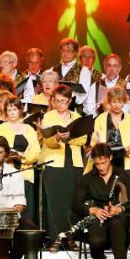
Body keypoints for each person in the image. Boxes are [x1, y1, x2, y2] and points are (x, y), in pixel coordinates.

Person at [73, 143, 130, 259]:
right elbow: (75, 204)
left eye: (104, 162)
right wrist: (92, 209)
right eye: (97, 164)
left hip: (118, 218)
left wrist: (120, 208)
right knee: (96, 242)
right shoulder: (88, 178)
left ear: (111, 158)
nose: (101, 167)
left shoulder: (122, 175)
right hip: (98, 218)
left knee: (117, 222)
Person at [40, 84, 88, 244]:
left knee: (72, 201)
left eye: (64, 101)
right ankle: (55, 238)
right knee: (56, 201)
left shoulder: (76, 117)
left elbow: (83, 139)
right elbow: (47, 141)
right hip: (55, 163)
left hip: (74, 163)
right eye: (57, 101)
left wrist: (69, 137)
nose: (60, 104)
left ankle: (71, 238)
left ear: (69, 101)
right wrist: (58, 138)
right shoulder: (49, 116)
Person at [0, 96, 41, 216]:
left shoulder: (29, 129)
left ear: (20, 110)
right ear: (5, 112)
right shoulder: (0, 129)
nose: (12, 112)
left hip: (26, 173)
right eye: (9, 110)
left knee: (26, 210)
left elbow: (36, 152)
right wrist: (8, 156)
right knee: (8, 208)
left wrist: (23, 157)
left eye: (15, 109)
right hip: (7, 174)